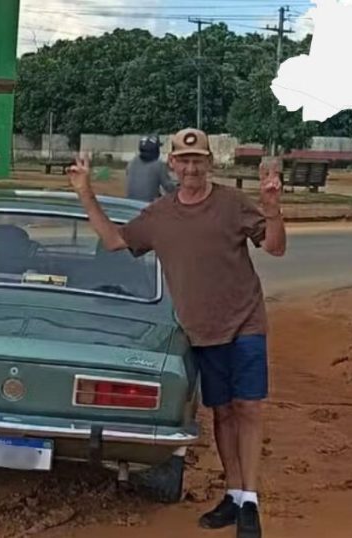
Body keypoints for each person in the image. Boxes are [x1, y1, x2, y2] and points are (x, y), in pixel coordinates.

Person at [67, 128, 285, 538]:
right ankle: (234, 493)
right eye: (184, 161)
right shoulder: (160, 215)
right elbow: (115, 240)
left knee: (249, 408)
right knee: (221, 412)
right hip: (202, 331)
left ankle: (251, 501)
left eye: (198, 160)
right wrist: (85, 192)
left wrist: (273, 209)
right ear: (172, 164)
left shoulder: (233, 204)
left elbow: (274, 247)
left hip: (246, 321)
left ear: (210, 164)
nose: (191, 168)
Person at [125, 134, 178, 202]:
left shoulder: (132, 162)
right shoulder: (158, 165)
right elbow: (169, 188)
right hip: (148, 206)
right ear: (156, 150)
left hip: (130, 204)